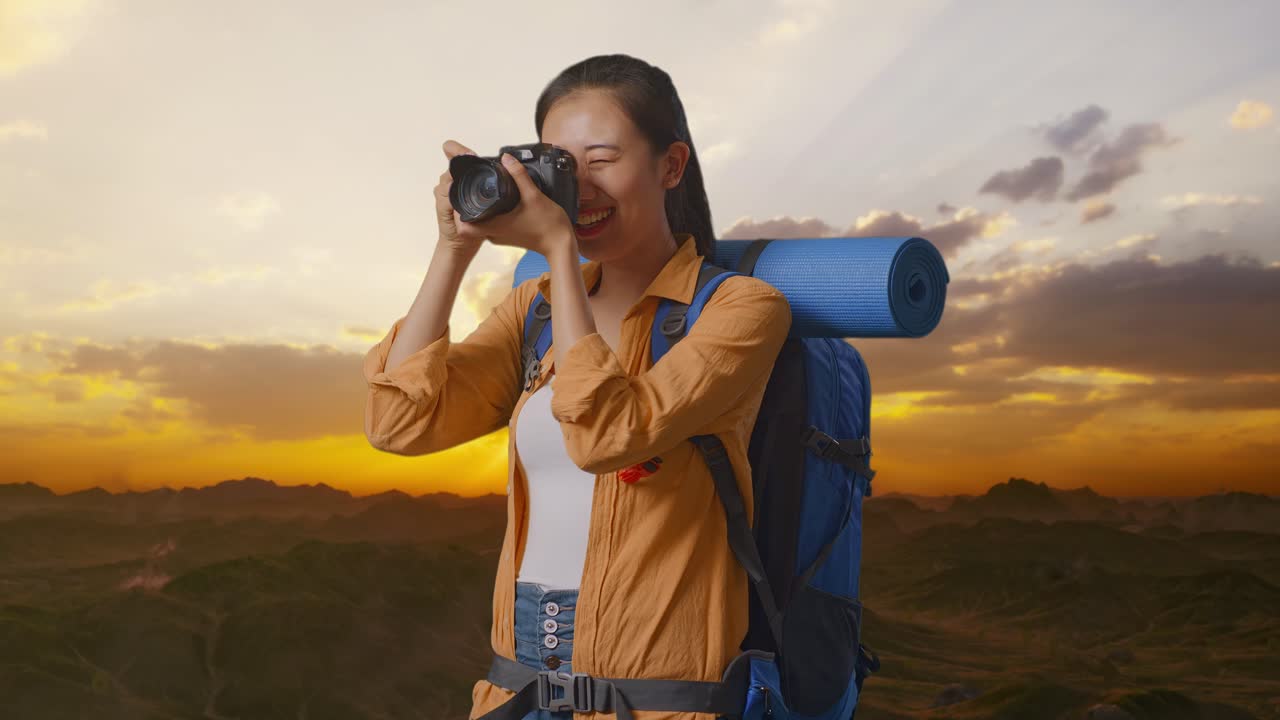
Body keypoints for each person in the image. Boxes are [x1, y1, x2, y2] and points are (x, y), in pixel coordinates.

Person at [362, 54, 791, 720]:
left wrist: (560, 250)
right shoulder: (532, 310)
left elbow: (606, 436)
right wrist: (453, 248)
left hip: (658, 699)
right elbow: (399, 424)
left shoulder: (739, 310)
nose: (579, 188)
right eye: (558, 165)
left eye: (602, 159)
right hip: (517, 688)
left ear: (670, 165)